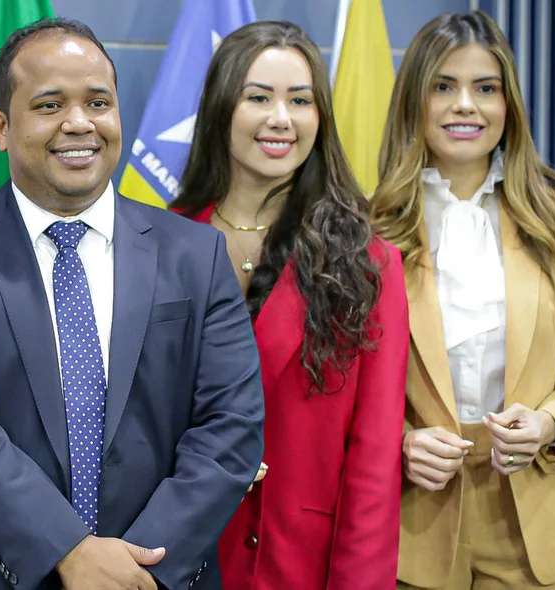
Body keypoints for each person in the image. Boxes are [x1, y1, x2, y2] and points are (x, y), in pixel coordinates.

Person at [0, 17, 265, 590]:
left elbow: (231, 424)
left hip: (160, 578)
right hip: (1, 573)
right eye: (49, 105)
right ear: (2, 128)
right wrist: (69, 551)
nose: (79, 123)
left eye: (98, 102)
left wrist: (139, 567)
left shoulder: (198, 252)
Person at [369, 10, 555, 589]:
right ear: (414, 100)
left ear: (508, 103)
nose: (466, 105)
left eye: (485, 88)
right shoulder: (364, 228)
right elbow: (339, 392)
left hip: (539, 515)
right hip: (413, 519)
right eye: (444, 86)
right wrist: (399, 444)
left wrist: (550, 421)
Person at [170, 20, 408, 589]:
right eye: (259, 97)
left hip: (302, 563)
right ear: (222, 107)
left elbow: (375, 457)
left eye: (300, 101)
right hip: (176, 553)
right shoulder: (159, 243)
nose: (282, 118)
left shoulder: (368, 262)